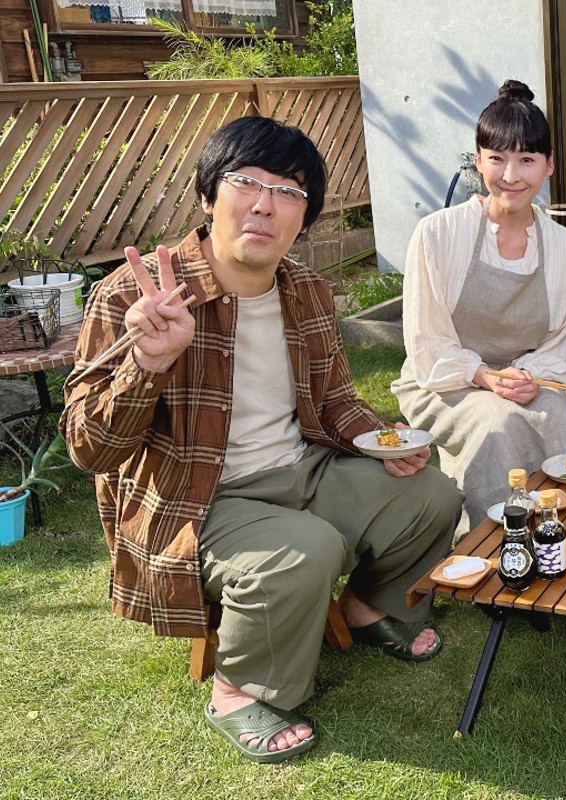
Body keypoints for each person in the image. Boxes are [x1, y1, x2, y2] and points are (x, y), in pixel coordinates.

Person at [61, 117, 462, 763]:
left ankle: (367, 607)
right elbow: (89, 449)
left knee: (433, 495)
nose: (265, 204)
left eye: (288, 191)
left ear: (305, 216)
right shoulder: (138, 297)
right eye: (245, 182)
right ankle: (237, 689)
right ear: (208, 195)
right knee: (303, 551)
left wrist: (382, 440)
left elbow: (335, 401)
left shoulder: (306, 291)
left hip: (301, 469)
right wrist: (147, 364)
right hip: (198, 499)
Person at [391, 79, 566, 531]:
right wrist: (483, 375)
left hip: (524, 378)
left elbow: (561, 346)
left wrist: (526, 375)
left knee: (558, 415)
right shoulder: (438, 234)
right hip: (443, 380)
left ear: (549, 165)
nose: (511, 175)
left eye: (527, 160)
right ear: (478, 160)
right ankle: (496, 547)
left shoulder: (563, 247)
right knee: (499, 421)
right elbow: (427, 341)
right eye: (497, 158)